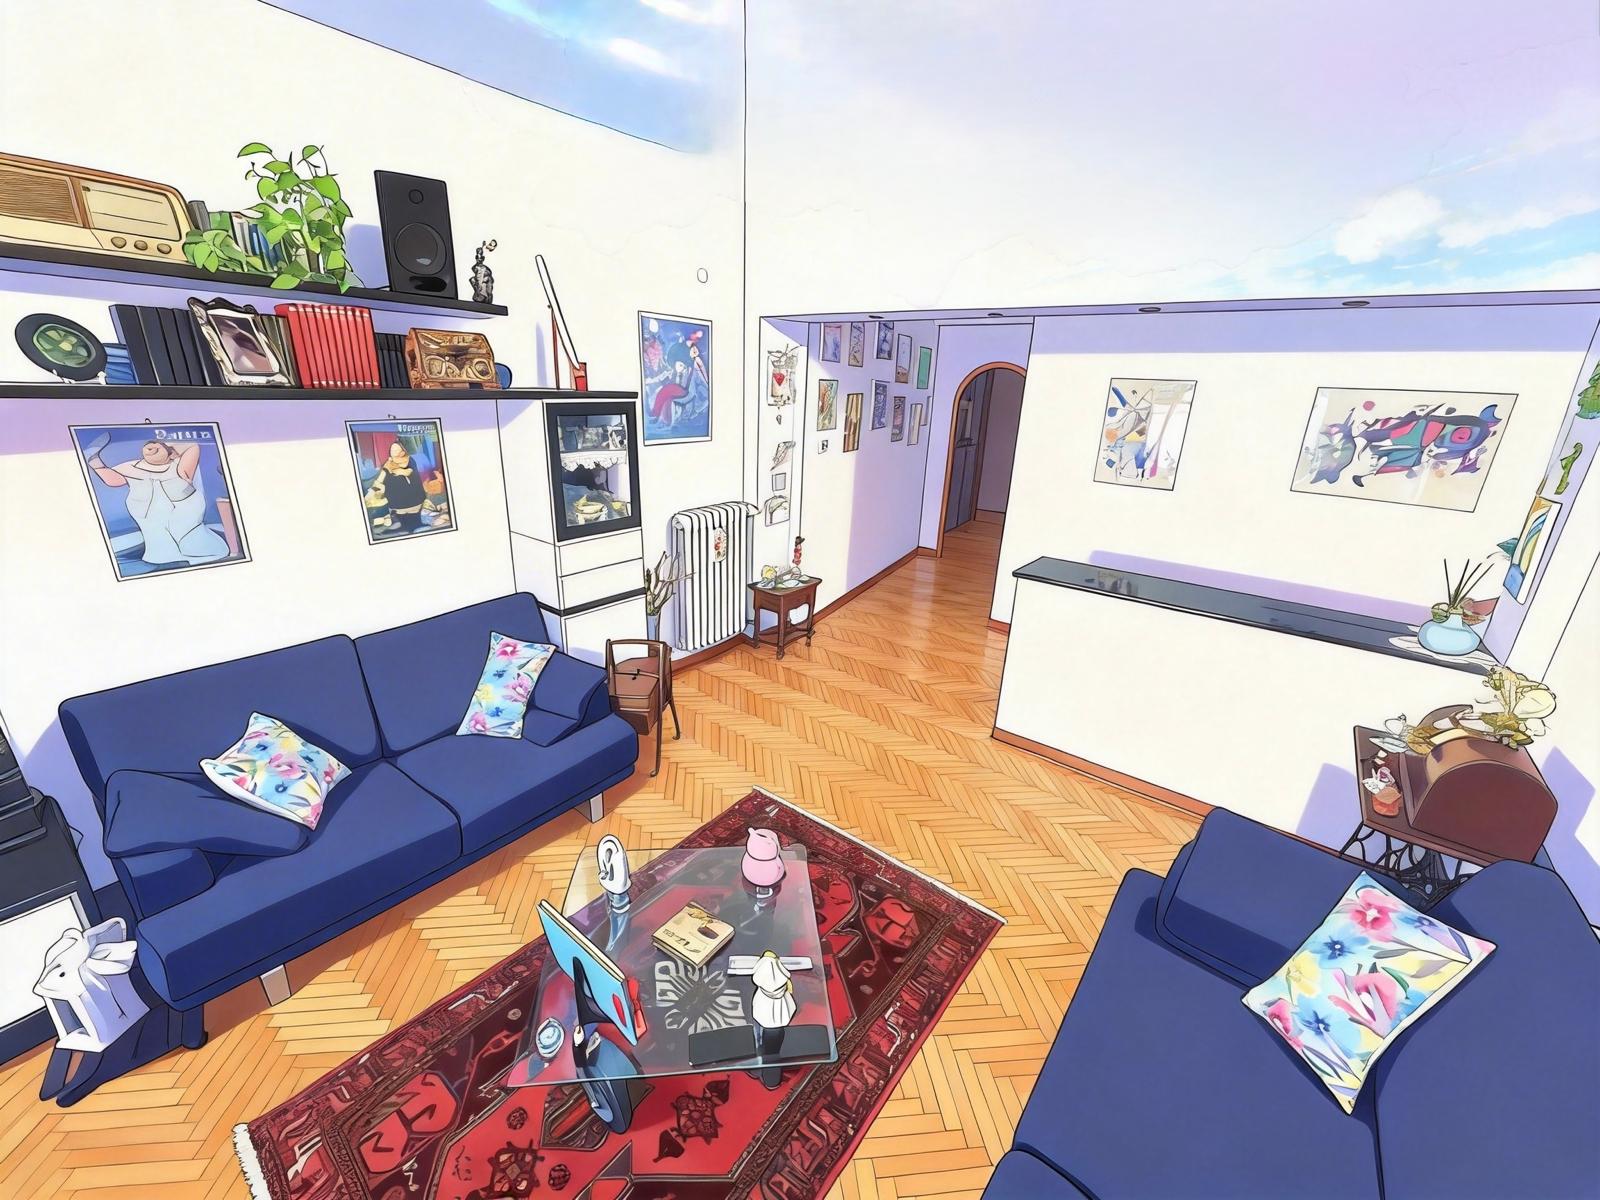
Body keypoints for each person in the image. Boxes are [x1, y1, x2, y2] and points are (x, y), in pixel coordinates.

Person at [84, 436, 230, 567]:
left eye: (158, 445)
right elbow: (112, 480)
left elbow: (192, 446)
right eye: (149, 445)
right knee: (162, 552)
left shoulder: (179, 466)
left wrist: (162, 439)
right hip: (153, 528)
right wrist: (93, 459)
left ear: (171, 452)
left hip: (187, 524)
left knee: (199, 547)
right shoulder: (131, 467)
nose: (152, 447)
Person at [364, 441, 430, 533]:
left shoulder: (409, 459)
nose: (395, 451)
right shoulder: (388, 463)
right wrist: (372, 491)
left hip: (414, 500)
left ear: (402, 451)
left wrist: (399, 470)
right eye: (392, 450)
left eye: (397, 449)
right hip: (397, 504)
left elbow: (409, 471)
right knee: (385, 478)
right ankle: (401, 525)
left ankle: (412, 525)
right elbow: (380, 478)